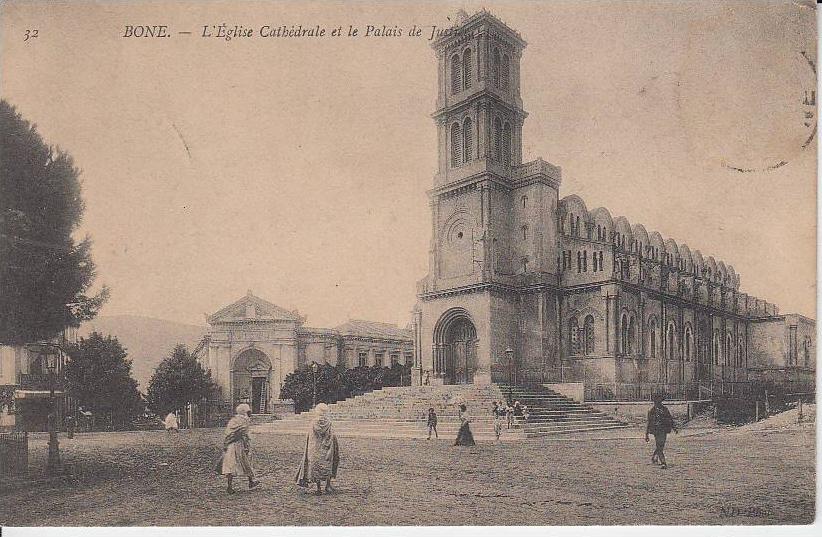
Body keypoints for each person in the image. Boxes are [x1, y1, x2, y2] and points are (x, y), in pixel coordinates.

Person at [296, 403, 340, 495]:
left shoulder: (313, 423)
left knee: (316, 466)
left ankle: (318, 487)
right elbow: (332, 435)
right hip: (327, 447)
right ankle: (328, 485)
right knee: (327, 464)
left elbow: (310, 436)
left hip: (315, 447)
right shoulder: (329, 423)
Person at [218, 403, 260, 493]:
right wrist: (247, 445)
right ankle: (250, 481)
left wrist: (226, 443)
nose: (250, 413)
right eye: (248, 412)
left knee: (231, 465)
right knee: (245, 463)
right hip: (238, 444)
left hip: (230, 444)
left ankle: (231, 486)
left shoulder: (233, 420)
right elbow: (244, 434)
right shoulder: (244, 421)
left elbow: (228, 433)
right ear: (244, 412)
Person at [645, 393, 678, 469]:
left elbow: (670, 419)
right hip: (656, 430)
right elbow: (649, 423)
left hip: (664, 430)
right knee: (659, 446)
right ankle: (663, 462)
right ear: (654, 402)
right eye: (656, 401)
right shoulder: (651, 411)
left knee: (661, 445)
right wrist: (646, 435)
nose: (658, 402)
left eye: (659, 401)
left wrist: (674, 428)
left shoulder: (665, 409)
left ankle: (654, 456)